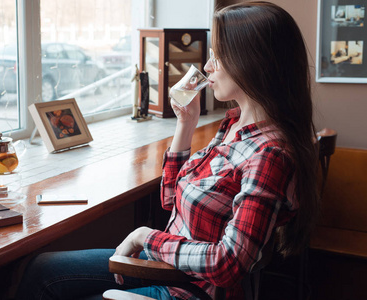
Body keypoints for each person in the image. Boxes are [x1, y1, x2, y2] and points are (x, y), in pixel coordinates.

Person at [16, 2, 319, 299]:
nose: (207, 66)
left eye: (218, 56)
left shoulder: (269, 155)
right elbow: (171, 198)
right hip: (165, 263)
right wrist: (185, 125)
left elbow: (228, 263)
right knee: (41, 268)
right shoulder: (234, 123)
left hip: (187, 287)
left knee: (45, 282)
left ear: (253, 63)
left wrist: (145, 236)